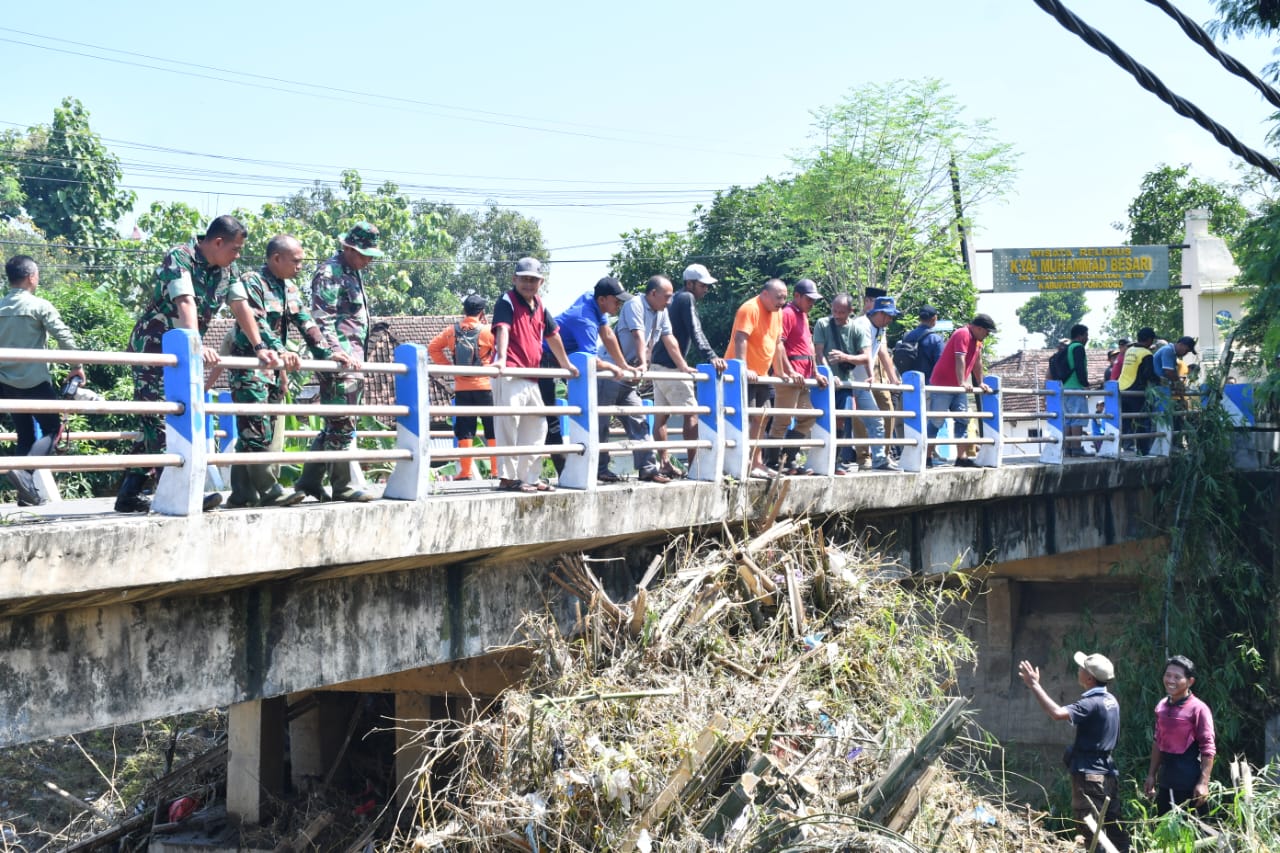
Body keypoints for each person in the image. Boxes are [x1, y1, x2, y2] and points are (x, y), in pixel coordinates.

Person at [115, 214, 247, 513]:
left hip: (185, 354)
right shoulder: (181, 256)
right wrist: (196, 345)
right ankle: (182, 493)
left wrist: (262, 347)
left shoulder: (228, 270)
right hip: (153, 349)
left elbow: (241, 307)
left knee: (161, 422)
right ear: (217, 242)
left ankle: (128, 494)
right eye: (235, 249)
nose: (238, 255)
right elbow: (185, 302)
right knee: (160, 420)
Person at [225, 235, 352, 508]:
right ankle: (270, 490)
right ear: (276, 258)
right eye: (295, 261)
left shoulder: (289, 288)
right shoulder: (252, 282)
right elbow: (257, 322)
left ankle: (241, 494)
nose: (300, 266)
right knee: (255, 431)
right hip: (249, 367)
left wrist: (327, 352)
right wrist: (280, 351)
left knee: (258, 432)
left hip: (273, 371)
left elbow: (306, 323)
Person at [293, 222, 381, 503]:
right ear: (348, 248)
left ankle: (308, 481)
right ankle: (342, 486)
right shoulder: (330, 273)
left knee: (338, 422)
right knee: (342, 422)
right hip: (339, 359)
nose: (367, 261)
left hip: (353, 359)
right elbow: (323, 317)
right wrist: (334, 351)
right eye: (363, 254)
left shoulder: (352, 272)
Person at [1019, 652, 1129, 852]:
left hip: (1090, 776)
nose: (1078, 670)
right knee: (1114, 830)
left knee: (1092, 830)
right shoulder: (1111, 700)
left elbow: (1057, 713)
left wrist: (1034, 685)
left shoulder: (1090, 703)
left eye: (1081, 668)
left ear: (1089, 678)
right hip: (1107, 773)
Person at [0, 255, 84, 506]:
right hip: (35, 382)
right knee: (53, 429)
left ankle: (26, 497)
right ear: (31, 277)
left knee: (25, 435)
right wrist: (77, 367)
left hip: (6, 384)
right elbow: (64, 336)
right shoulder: (39, 306)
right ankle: (25, 475)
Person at [491, 257, 577, 493]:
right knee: (508, 424)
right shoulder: (507, 300)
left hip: (531, 375)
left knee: (538, 426)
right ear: (514, 279)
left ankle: (529, 476)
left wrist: (566, 364)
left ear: (541, 282)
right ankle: (508, 478)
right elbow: (503, 329)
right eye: (524, 279)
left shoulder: (540, 304)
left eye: (533, 280)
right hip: (510, 371)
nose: (528, 284)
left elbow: (553, 335)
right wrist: (501, 358)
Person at [549, 277, 645, 482]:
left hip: (563, 361)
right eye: (616, 300)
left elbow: (608, 334)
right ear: (602, 299)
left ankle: (570, 472)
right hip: (546, 360)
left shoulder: (591, 301)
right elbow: (589, 359)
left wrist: (623, 365)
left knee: (551, 420)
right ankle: (568, 474)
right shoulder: (585, 319)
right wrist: (610, 366)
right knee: (548, 420)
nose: (619, 305)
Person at [598, 275, 691, 483]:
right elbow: (638, 335)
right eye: (667, 296)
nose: (669, 301)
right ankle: (600, 469)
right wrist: (642, 364)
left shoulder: (661, 312)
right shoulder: (635, 304)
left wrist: (683, 366)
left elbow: (669, 339)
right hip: (611, 373)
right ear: (653, 293)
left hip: (628, 377)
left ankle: (648, 468)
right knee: (601, 422)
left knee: (639, 420)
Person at [651, 263, 725, 476]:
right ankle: (695, 467)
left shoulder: (673, 299)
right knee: (692, 413)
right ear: (690, 283)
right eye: (702, 285)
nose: (706, 289)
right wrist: (711, 356)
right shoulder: (686, 297)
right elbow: (695, 330)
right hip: (671, 366)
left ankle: (665, 463)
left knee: (661, 416)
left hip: (657, 363)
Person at [725, 278, 798, 479]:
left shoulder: (778, 312)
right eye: (778, 297)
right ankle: (743, 462)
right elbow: (741, 338)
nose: (782, 302)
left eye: (784, 298)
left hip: (763, 376)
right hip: (744, 375)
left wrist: (782, 372)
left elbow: (777, 344)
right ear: (765, 294)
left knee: (763, 417)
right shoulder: (750, 308)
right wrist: (743, 368)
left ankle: (756, 462)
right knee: (746, 418)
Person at [429, 294, 496, 481]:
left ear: (464, 310)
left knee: (465, 429)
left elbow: (433, 348)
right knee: (492, 427)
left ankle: (466, 471)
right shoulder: (488, 331)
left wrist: (450, 368)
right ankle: (496, 470)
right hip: (485, 386)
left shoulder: (452, 331)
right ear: (482, 312)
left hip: (462, 388)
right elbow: (502, 352)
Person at [765, 279, 828, 475]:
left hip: (803, 377)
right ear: (797, 296)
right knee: (782, 420)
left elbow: (809, 348)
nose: (812, 303)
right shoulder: (788, 313)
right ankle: (773, 463)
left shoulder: (803, 315)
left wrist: (816, 372)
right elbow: (779, 344)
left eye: (814, 300)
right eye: (809, 299)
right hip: (790, 377)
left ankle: (788, 459)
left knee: (808, 417)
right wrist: (790, 371)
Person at [1144, 655, 1216, 816]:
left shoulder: (1199, 709)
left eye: (1177, 677)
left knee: (1194, 830)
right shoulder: (1161, 706)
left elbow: (1208, 748)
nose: (1171, 680)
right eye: (1168, 675)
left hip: (1189, 785)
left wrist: (1203, 783)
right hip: (1165, 782)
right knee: (1163, 828)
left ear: (1190, 681)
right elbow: (1158, 741)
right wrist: (1151, 775)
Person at [840, 296, 901, 471]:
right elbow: (865, 354)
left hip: (862, 382)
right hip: (849, 380)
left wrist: (893, 378)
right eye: (889, 316)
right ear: (880, 313)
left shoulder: (880, 329)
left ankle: (880, 458)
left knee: (877, 418)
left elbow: (882, 352)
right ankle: (862, 458)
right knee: (843, 420)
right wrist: (870, 375)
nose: (890, 320)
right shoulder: (862, 325)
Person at [928, 314, 996, 468]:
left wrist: (980, 382)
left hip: (959, 387)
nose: (988, 335)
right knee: (936, 421)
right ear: (978, 328)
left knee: (963, 419)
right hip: (943, 384)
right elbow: (960, 358)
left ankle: (961, 458)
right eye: (987, 331)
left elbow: (977, 362)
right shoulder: (962, 333)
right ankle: (926, 457)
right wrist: (962, 382)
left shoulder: (977, 341)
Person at [813, 293, 858, 473]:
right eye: (834, 311)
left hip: (846, 383)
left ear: (850, 311)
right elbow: (818, 353)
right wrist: (830, 375)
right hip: (825, 382)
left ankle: (835, 460)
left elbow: (866, 356)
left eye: (842, 312)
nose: (837, 315)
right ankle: (818, 460)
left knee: (842, 420)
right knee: (819, 419)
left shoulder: (855, 328)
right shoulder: (823, 324)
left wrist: (845, 357)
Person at [1117, 328, 1156, 454]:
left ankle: (1124, 448)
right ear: (1149, 340)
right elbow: (1149, 374)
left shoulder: (1130, 350)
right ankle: (1142, 450)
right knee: (1142, 421)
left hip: (1121, 388)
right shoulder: (1146, 354)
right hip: (1136, 391)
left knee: (1125, 421)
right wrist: (1161, 381)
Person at [1063, 324, 1091, 457]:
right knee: (1078, 418)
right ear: (1080, 336)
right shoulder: (1078, 347)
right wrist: (1085, 384)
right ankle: (1077, 449)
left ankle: (1067, 449)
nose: (1087, 338)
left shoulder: (1068, 347)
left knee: (1068, 419)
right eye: (1086, 335)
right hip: (1076, 386)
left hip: (1065, 387)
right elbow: (1080, 367)